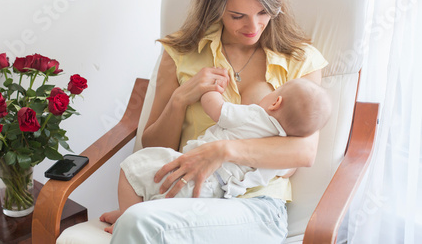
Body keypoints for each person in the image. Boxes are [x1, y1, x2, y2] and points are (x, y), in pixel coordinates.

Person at [104, 0, 329, 244]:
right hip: (184, 197)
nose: (254, 26)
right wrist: (181, 98)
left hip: (256, 205)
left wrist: (222, 151)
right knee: (141, 220)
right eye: (238, 16)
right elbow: (151, 145)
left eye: (264, 12)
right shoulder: (182, 52)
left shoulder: (300, 60)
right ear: (215, 6)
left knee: (138, 223)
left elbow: (303, 152)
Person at [101, 78, 331, 233]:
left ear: (275, 101)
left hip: (192, 174)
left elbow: (217, 109)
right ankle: (133, 219)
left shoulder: (254, 116)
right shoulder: (280, 151)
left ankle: (125, 216)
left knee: (133, 166)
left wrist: (211, 89)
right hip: (218, 197)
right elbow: (288, 170)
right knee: (164, 209)